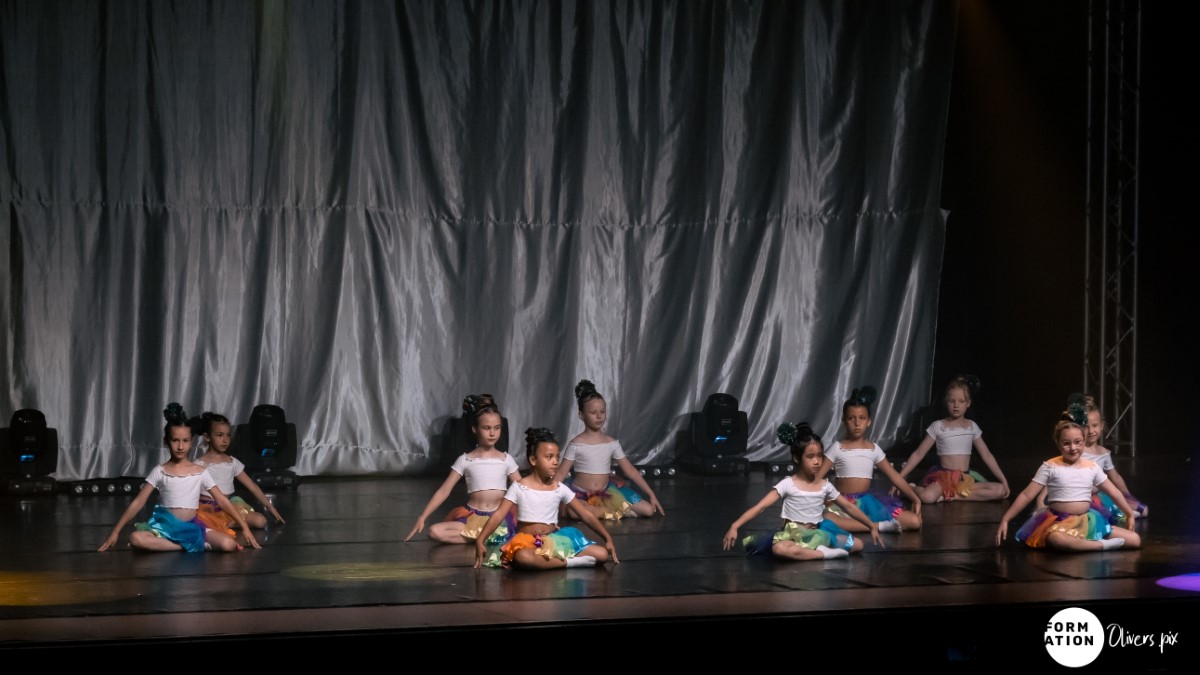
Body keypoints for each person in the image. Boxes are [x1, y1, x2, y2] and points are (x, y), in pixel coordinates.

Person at [99, 403, 260, 553]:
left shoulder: (200, 471)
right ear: (166, 441)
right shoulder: (160, 471)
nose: (181, 446)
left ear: (191, 441)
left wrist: (245, 528)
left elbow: (222, 500)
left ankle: (188, 542)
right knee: (136, 538)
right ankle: (184, 545)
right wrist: (116, 531)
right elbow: (138, 502)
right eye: (175, 440)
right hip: (165, 527)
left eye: (185, 441)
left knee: (228, 544)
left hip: (191, 526)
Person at [723, 422, 882, 560]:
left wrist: (871, 525)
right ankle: (823, 554)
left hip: (818, 534)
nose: (817, 462)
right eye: (810, 457)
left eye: (819, 456)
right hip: (792, 537)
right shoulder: (788, 484)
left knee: (858, 545)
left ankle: (815, 551)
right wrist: (735, 525)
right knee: (780, 549)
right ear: (797, 458)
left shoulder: (825, 486)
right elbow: (761, 507)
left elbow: (848, 507)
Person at [996, 403, 1141, 552]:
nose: (1073, 448)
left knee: (1135, 540)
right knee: (1057, 539)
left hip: (1087, 521)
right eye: (1066, 443)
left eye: (1077, 442)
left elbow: (1114, 492)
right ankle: (1101, 545)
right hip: (1059, 522)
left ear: (1084, 440)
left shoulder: (1091, 467)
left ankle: (1087, 543)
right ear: (1058, 443)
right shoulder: (1050, 466)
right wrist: (1006, 519)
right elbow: (1027, 495)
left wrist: (1129, 514)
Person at [475, 427, 618, 570]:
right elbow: (499, 514)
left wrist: (607, 538)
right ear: (533, 460)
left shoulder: (558, 488)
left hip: (554, 539)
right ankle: (571, 562)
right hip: (528, 542)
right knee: (523, 557)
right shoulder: (519, 487)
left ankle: (554, 561)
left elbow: (585, 514)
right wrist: (481, 539)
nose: (555, 462)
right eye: (549, 457)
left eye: (557, 457)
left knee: (602, 554)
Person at [406, 394, 521, 544]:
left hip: (497, 516)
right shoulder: (465, 460)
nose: (492, 433)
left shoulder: (506, 459)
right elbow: (444, 490)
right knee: (434, 531)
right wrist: (423, 516)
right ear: (475, 429)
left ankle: (481, 535)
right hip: (472, 516)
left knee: (504, 527)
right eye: (486, 428)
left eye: (497, 428)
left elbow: (524, 489)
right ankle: (482, 536)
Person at [553, 379, 664, 520]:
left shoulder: (611, 443)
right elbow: (561, 473)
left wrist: (651, 494)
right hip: (580, 494)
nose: (599, 416)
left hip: (605, 492)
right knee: (576, 512)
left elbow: (629, 470)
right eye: (593, 412)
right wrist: (546, 496)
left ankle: (606, 511)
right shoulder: (576, 444)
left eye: (602, 412)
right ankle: (613, 512)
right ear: (581, 415)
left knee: (648, 510)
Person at [818, 386, 922, 532]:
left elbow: (894, 476)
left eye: (862, 418)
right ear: (844, 421)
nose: (857, 423)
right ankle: (878, 527)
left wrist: (915, 499)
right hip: (844, 503)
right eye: (851, 418)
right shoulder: (837, 448)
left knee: (915, 521)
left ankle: (865, 525)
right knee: (825, 519)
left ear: (868, 421)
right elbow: (817, 478)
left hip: (869, 503)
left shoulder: (873, 449)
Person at [895, 375, 1011, 503]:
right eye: (952, 401)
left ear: (968, 403)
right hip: (943, 478)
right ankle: (910, 488)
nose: (956, 405)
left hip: (964, 479)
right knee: (928, 497)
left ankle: (952, 495)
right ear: (946, 402)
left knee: (1000, 490)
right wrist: (899, 479)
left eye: (961, 401)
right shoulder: (938, 426)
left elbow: (987, 455)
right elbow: (919, 453)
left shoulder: (972, 426)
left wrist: (1004, 480)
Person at [1035, 394, 1149, 524]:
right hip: (1080, 498)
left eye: (1095, 425)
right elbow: (1056, 477)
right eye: (1086, 426)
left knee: (1144, 510)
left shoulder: (1104, 453)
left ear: (1102, 425)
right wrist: (1040, 499)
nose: (1091, 431)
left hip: (1101, 496)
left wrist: (1127, 495)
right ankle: (1114, 516)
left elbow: (1116, 477)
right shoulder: (1077, 452)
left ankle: (1121, 513)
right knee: (1099, 514)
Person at [192, 411, 285, 531]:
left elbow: (252, 486)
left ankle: (229, 523)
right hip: (208, 508)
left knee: (260, 521)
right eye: (220, 435)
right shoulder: (199, 464)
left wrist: (270, 506)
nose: (225, 440)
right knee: (203, 522)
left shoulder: (232, 462)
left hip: (230, 506)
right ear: (207, 437)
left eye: (228, 435)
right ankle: (224, 524)